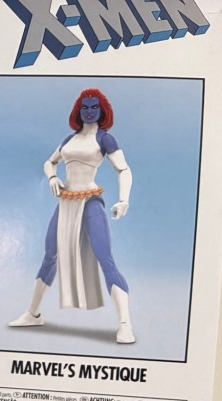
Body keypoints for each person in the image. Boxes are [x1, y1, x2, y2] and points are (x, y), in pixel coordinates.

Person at [8, 87, 135, 343]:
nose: (89, 111)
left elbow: (123, 169)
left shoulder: (105, 139)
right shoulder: (69, 139)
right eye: (85, 107)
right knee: (50, 255)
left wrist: (124, 200)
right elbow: (49, 162)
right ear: (78, 110)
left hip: (90, 202)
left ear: (102, 110)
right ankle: (33, 313)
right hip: (66, 203)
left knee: (105, 258)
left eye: (94, 107)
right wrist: (52, 177)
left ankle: (125, 324)